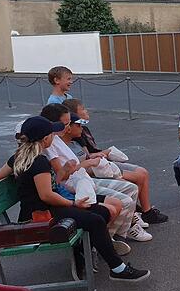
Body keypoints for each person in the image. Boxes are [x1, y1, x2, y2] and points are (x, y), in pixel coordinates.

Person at [0, 116, 149, 282]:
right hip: (41, 215)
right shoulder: (39, 162)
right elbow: (46, 195)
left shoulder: (19, 157)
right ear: (46, 139)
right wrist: (73, 203)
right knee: (95, 220)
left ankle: (82, 251)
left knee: (102, 211)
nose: (54, 137)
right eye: (52, 135)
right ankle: (117, 269)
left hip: (41, 209)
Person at [40, 104, 141, 252]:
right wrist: (86, 163)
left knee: (131, 188)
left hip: (82, 181)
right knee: (122, 201)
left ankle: (112, 235)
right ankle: (104, 241)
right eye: (66, 123)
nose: (68, 127)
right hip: (75, 187)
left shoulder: (56, 139)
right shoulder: (49, 144)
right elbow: (61, 177)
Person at [62, 98, 166, 226]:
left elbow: (87, 155)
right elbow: (75, 167)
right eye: (82, 108)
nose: (86, 110)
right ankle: (135, 215)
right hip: (94, 169)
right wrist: (97, 158)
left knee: (142, 173)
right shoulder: (72, 138)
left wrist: (101, 155)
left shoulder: (81, 132)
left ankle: (141, 212)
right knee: (134, 180)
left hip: (100, 163)